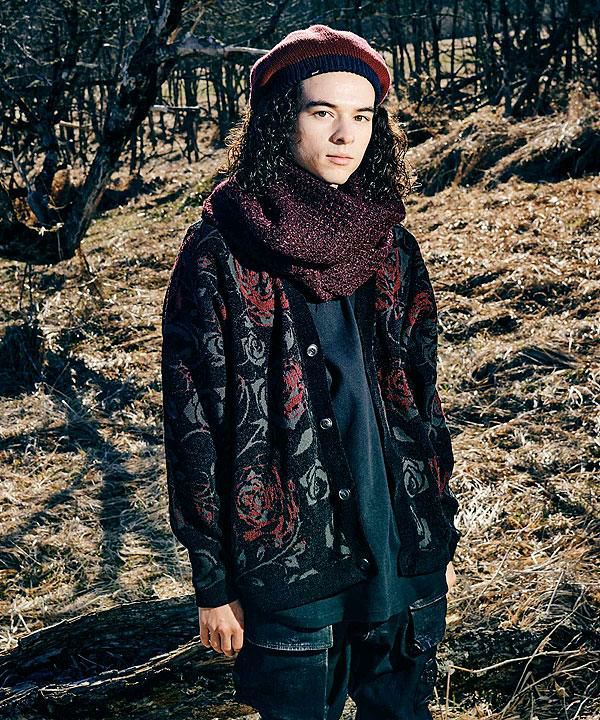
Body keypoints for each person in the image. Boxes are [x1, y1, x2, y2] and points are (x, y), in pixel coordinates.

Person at [161, 23, 461, 720]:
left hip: (400, 551)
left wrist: (436, 520)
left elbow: (424, 400)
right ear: (279, 119)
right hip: (289, 566)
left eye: (363, 116)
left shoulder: (392, 245)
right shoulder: (220, 253)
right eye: (322, 112)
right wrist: (212, 581)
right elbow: (193, 424)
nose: (346, 135)